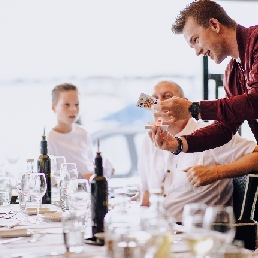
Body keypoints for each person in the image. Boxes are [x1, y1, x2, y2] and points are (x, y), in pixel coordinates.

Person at [138, 81, 258, 221]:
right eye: (154, 99)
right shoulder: (148, 140)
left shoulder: (212, 135)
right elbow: (146, 195)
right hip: (160, 229)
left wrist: (215, 172)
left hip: (201, 232)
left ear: (183, 104)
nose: (159, 103)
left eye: (167, 96)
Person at [150, 0, 258, 156]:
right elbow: (224, 128)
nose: (197, 52)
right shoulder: (232, 74)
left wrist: (193, 109)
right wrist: (178, 144)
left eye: (196, 40)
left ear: (214, 25)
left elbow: (255, 102)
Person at [48, 83, 113, 180]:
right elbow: (52, 178)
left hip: (91, 189)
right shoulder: (50, 140)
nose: (73, 109)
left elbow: (90, 164)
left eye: (76, 104)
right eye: (67, 104)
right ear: (54, 107)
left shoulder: (83, 133)